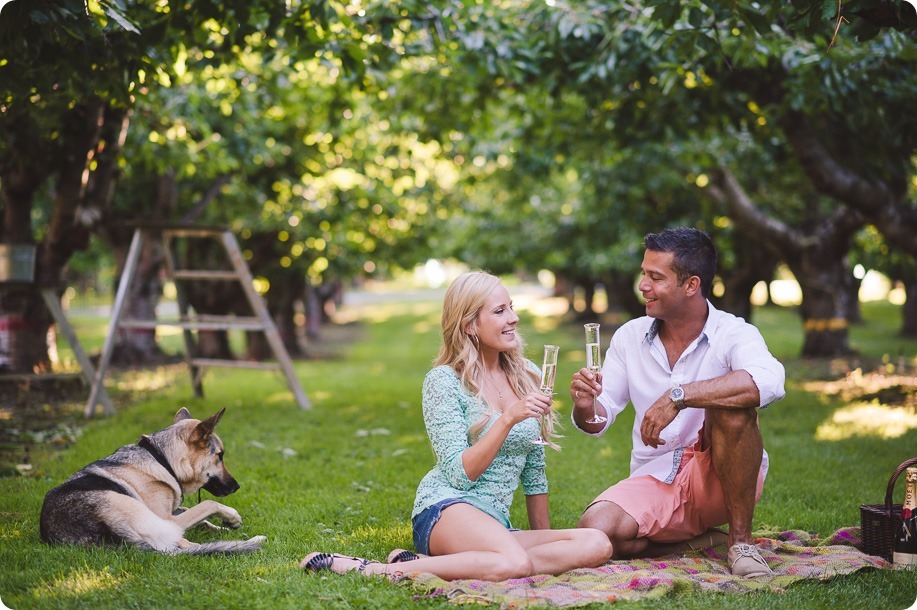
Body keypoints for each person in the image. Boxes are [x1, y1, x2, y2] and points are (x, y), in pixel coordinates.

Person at [302, 271, 613, 580]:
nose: (514, 318)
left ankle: (458, 562)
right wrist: (506, 419)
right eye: (500, 311)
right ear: (469, 325)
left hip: (496, 525)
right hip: (447, 508)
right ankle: (376, 569)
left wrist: (548, 541)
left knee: (596, 544)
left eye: (512, 307)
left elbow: (534, 471)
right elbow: (459, 475)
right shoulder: (444, 381)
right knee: (514, 563)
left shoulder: (527, 374)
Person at [568, 227, 786, 578]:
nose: (643, 285)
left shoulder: (734, 333)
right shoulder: (629, 337)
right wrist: (584, 405)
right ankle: (699, 542)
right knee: (595, 529)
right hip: (654, 477)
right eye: (644, 273)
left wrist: (679, 396)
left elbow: (769, 381)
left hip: (720, 475)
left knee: (732, 406)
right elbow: (598, 419)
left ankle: (741, 542)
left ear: (691, 285)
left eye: (655, 277)